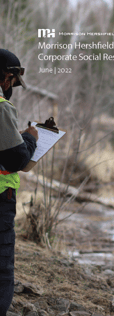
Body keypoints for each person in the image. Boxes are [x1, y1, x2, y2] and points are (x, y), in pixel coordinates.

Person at [0, 49, 38, 315]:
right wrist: (31, 138)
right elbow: (17, 159)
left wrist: (17, 134)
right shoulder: (2, 106)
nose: (12, 86)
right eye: (12, 81)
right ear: (5, 77)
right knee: (2, 266)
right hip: (1, 198)